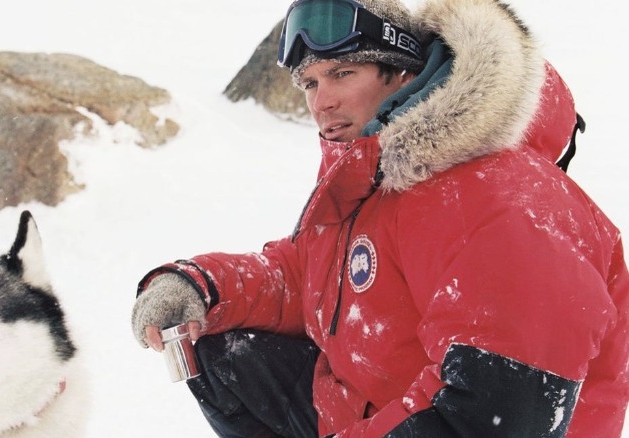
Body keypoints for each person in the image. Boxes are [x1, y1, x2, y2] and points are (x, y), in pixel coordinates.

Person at [132, 0, 629, 436]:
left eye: (342, 74)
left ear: (401, 73)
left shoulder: (501, 198)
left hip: (454, 423)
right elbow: (304, 274)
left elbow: (492, 417)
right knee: (221, 353)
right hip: (373, 411)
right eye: (309, 81)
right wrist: (200, 286)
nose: (320, 101)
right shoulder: (369, 174)